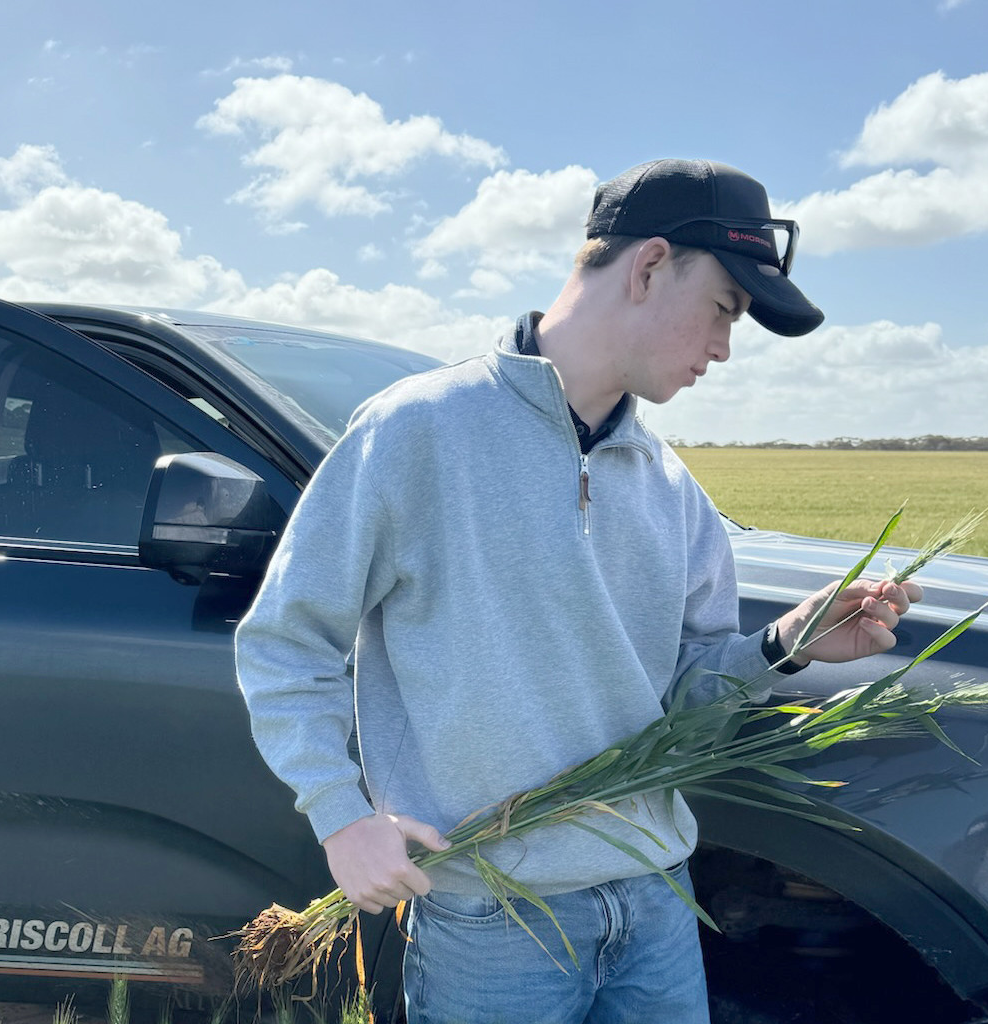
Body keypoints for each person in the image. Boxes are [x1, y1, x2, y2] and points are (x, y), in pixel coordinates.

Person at [234, 158, 923, 1024]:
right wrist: (342, 816)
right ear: (647, 267)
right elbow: (285, 642)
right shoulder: (417, 433)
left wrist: (784, 647)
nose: (724, 348)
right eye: (724, 311)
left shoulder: (673, 491)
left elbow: (681, 706)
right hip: (492, 916)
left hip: (658, 900)